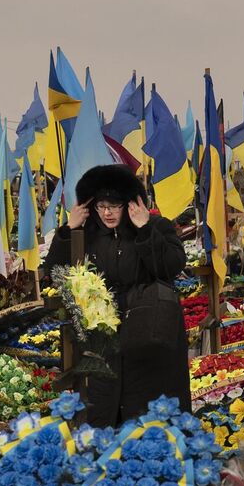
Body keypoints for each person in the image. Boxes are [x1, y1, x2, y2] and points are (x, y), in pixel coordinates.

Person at [44, 164, 188, 427]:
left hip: (149, 331)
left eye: (114, 206)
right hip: (105, 335)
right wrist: (68, 230)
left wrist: (145, 230)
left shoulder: (156, 225)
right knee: (107, 403)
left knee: (150, 407)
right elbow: (54, 270)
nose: (107, 213)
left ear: (129, 204)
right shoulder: (87, 234)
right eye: (101, 206)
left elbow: (171, 266)